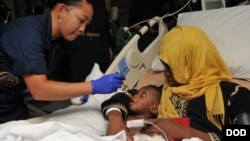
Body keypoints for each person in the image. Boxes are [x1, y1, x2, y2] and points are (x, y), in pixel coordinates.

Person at [101, 26, 250, 141]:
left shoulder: (232, 94)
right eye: (164, 66)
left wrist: (188, 133)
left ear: (190, 62)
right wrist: (115, 118)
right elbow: (124, 97)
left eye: (171, 67)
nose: (165, 73)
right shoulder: (165, 91)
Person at [0, 0, 125, 124]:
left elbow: (48, 81)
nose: (82, 29)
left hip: (13, 99)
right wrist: (92, 87)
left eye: (86, 24)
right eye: (81, 20)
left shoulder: (55, 42)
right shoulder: (27, 33)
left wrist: (80, 91)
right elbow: (39, 90)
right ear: (61, 10)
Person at [69, 0, 113, 91]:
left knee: (103, 77)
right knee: (83, 82)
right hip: (83, 40)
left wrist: (109, 45)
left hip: (101, 41)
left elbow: (105, 21)